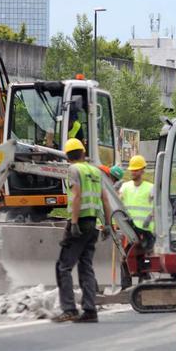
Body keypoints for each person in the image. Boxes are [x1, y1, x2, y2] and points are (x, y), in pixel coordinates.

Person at [52, 138, 111, 323]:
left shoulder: (73, 170)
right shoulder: (95, 171)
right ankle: (90, 310)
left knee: (63, 266)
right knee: (86, 266)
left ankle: (69, 309)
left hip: (79, 223)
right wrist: (108, 224)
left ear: (68, 157)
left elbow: (76, 196)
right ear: (83, 153)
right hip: (93, 224)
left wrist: (74, 223)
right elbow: (106, 200)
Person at [119, 155, 155, 251]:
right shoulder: (125, 187)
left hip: (146, 232)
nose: (133, 172)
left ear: (142, 170)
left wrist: (151, 216)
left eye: (136, 170)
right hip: (130, 231)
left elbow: (158, 207)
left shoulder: (151, 188)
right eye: (132, 170)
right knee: (128, 260)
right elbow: (118, 203)